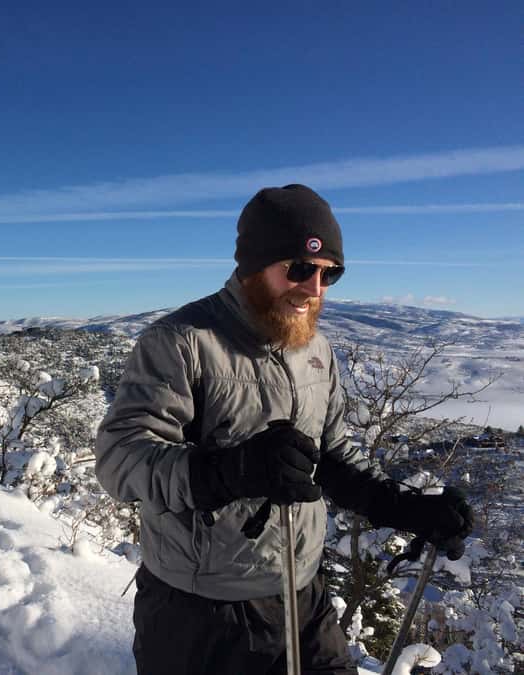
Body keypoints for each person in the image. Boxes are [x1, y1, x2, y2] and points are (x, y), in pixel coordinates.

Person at [94, 184, 474, 675]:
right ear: (255, 265)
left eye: (329, 273)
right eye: (299, 268)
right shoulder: (182, 342)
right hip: (199, 612)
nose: (314, 289)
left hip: (302, 596)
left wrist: (403, 508)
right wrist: (230, 471)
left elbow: (333, 455)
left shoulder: (315, 350)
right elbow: (120, 460)